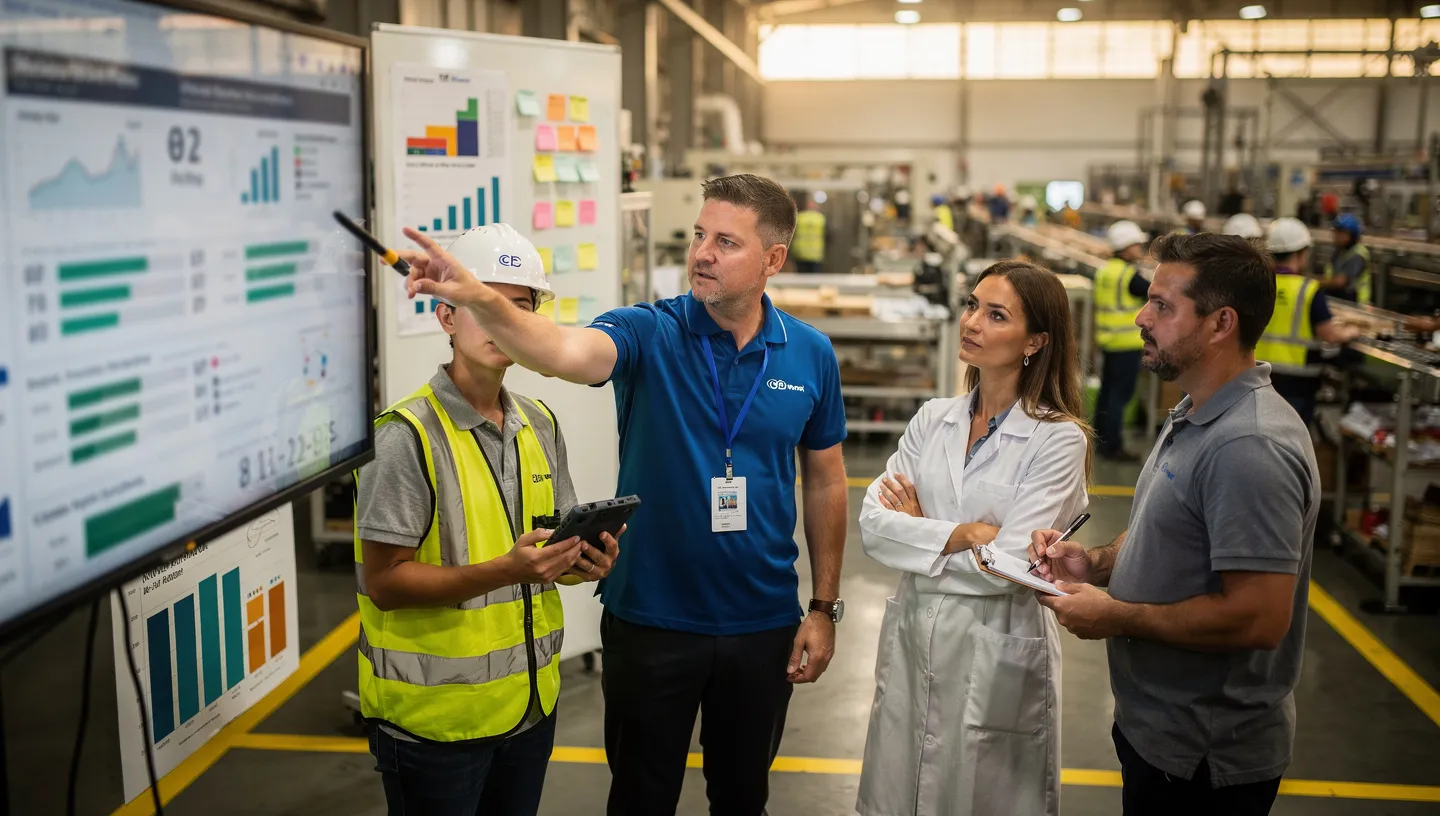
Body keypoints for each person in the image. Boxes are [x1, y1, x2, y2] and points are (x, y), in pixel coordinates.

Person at [396, 173, 850, 816]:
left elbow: (826, 477)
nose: (701, 253)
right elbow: (560, 351)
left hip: (763, 621)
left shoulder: (810, 355)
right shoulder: (647, 332)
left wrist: (823, 606)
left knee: (744, 798)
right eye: (699, 235)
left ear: (772, 259)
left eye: (726, 241)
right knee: (640, 799)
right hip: (651, 621)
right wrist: (480, 298)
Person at [1031, 232, 1319, 816]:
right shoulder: (1196, 412)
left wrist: (1117, 618)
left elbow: (1260, 617)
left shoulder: (1249, 445)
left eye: (1163, 305)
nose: (1141, 315)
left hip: (1205, 756)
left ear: (1220, 324)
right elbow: (1171, 536)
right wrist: (1097, 563)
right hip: (1161, 732)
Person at [354, 224, 621, 816]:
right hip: (435, 726)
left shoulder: (539, 423)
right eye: (485, 304)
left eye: (517, 308)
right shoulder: (405, 436)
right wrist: (507, 570)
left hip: (529, 707)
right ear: (448, 318)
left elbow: (548, 556)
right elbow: (385, 584)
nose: (501, 322)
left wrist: (581, 563)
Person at [856, 261, 1090, 816]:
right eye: (972, 305)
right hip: (917, 635)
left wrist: (921, 536)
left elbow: (1012, 567)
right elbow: (872, 527)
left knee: (985, 796)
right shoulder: (932, 419)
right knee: (901, 791)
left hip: (998, 647)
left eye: (996, 314)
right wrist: (963, 534)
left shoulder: (1057, 439)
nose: (972, 322)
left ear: (1036, 341)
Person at [1259, 217, 1359, 424]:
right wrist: (1351, 332)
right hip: (1297, 382)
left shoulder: (1259, 285)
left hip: (1258, 376)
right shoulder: (1308, 289)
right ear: (1299, 253)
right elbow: (1329, 334)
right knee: (1291, 444)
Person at [1093, 220, 1151, 461]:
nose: (1140, 249)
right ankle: (1114, 446)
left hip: (1107, 340)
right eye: (1137, 244)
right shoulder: (1129, 275)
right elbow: (1153, 291)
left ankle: (1101, 439)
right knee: (1120, 396)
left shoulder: (1105, 270)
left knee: (1107, 393)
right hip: (1126, 343)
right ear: (1126, 247)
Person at [1320, 213, 1371, 304]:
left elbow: (1340, 282)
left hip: (1357, 304)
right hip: (1340, 300)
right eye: (1335, 232)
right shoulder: (1339, 250)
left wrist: (1314, 283)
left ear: (1351, 235)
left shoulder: (1358, 254)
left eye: (1340, 233)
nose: (1335, 236)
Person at [792, 197, 827, 274]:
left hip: (800, 254)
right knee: (814, 281)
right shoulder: (820, 218)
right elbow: (828, 236)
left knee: (802, 279)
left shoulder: (800, 217)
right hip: (816, 255)